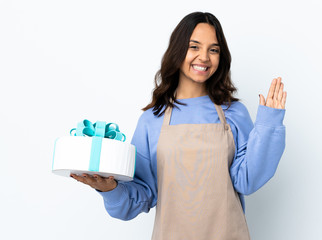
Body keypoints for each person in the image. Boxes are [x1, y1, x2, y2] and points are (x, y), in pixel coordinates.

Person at [71, 11, 287, 240]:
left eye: (213, 50)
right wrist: (109, 190)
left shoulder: (233, 112)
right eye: (194, 47)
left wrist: (269, 124)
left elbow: (247, 180)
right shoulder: (152, 119)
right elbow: (142, 195)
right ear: (178, 50)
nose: (204, 57)